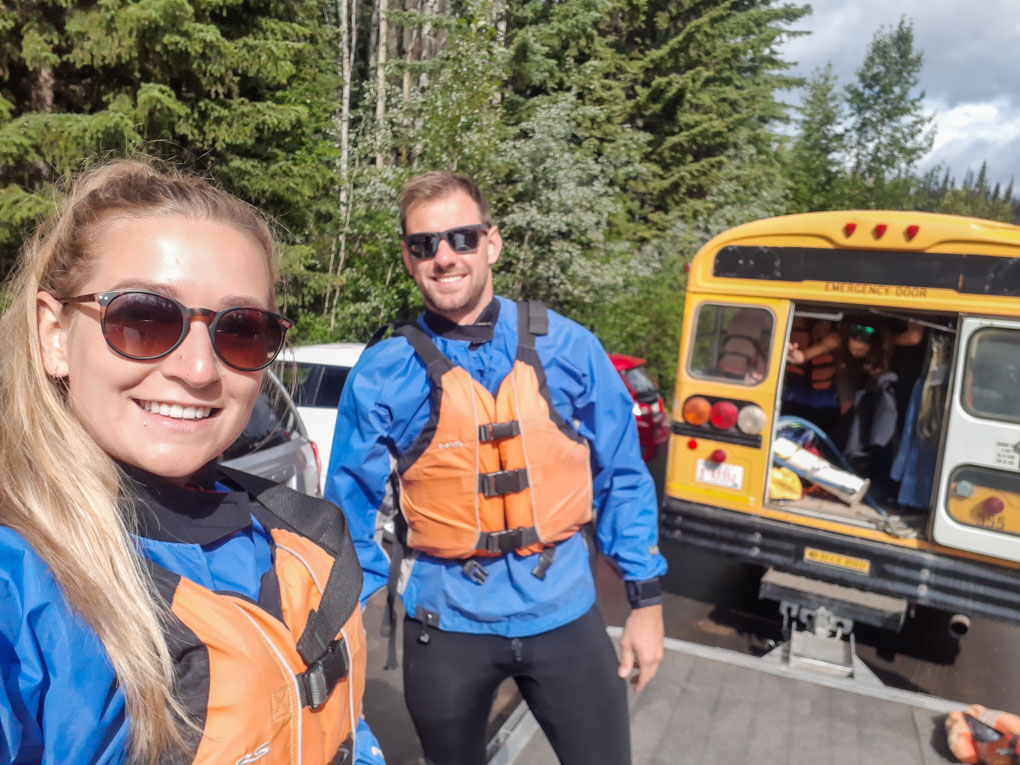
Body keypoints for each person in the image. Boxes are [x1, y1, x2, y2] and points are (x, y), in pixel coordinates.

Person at [0, 159, 383, 764]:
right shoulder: (18, 578)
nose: (200, 370)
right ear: (54, 333)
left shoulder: (305, 539)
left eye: (242, 331)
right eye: (144, 317)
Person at [324, 171, 667, 765]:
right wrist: (345, 625)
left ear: (492, 243)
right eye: (423, 245)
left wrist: (647, 602)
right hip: (446, 624)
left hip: (565, 615)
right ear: (408, 259)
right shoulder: (384, 371)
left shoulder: (569, 347)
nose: (444, 257)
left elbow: (622, 476)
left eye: (461, 238)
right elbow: (348, 514)